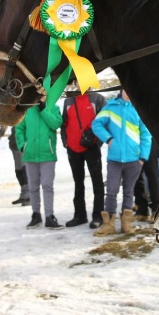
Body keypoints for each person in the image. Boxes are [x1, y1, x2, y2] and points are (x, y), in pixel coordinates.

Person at [90, 90, 151, 236]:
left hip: (134, 160)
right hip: (114, 159)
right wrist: (109, 139)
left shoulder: (138, 108)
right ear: (121, 90)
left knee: (129, 192)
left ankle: (126, 224)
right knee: (111, 191)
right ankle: (109, 225)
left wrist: (142, 157)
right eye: (126, 90)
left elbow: (146, 134)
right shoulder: (110, 107)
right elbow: (96, 124)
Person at [61, 89, 106, 228]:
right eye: (76, 81)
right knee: (78, 183)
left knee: (97, 182)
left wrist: (98, 142)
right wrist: (66, 142)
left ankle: (98, 216)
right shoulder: (68, 101)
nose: (78, 83)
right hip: (73, 148)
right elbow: (64, 123)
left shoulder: (97, 99)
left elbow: (104, 121)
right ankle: (80, 215)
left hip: (91, 147)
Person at [15, 101, 64, 229]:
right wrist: (22, 146)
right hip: (30, 154)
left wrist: (44, 109)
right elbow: (19, 128)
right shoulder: (26, 109)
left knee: (47, 186)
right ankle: (36, 215)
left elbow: (56, 124)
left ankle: (49, 216)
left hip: (47, 154)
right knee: (33, 187)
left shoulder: (53, 107)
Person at [134, 141, 159, 222]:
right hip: (134, 143)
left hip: (148, 143)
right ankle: (141, 209)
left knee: (152, 176)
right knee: (136, 176)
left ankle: (157, 209)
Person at [7, 129, 30, 206]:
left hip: (23, 145)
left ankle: (28, 196)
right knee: (18, 171)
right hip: (14, 145)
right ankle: (24, 194)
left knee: (25, 171)